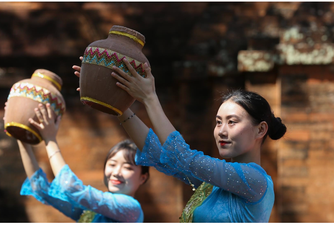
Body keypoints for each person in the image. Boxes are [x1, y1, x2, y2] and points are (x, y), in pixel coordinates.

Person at [74, 57, 285, 222]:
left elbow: (184, 157)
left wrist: (150, 98)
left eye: (232, 122)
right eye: (218, 122)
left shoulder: (255, 180)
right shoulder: (213, 183)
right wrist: (118, 105)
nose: (221, 130)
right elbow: (158, 154)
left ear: (261, 130)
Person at [17, 103, 148, 222]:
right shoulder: (91, 211)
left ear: (143, 177)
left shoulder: (130, 208)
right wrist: (21, 138)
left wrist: (50, 140)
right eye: (112, 164)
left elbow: (70, 187)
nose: (116, 172)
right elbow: (41, 190)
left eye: (127, 167)